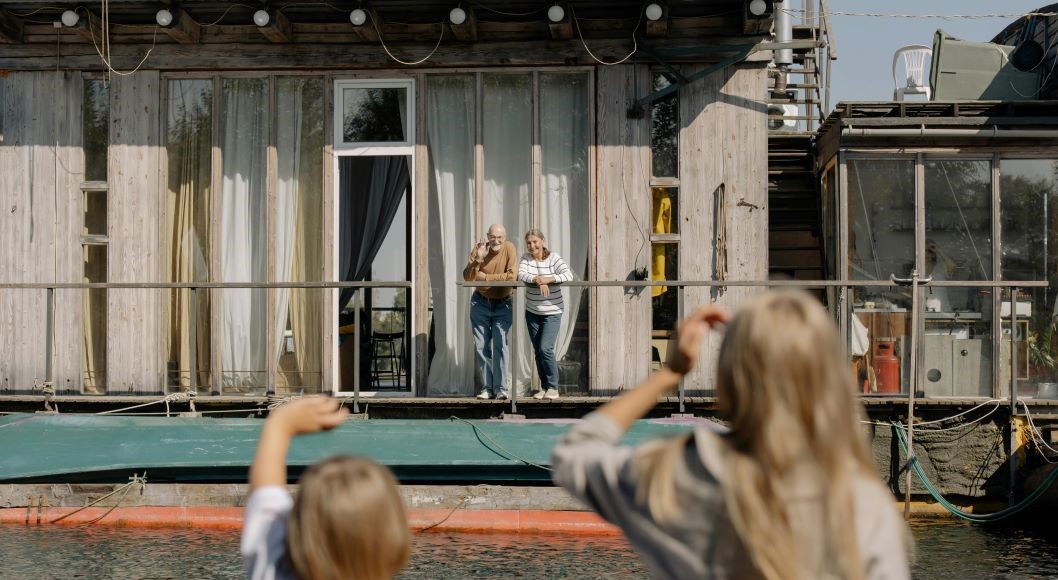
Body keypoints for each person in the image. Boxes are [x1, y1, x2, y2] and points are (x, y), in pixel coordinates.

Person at [551, 290, 911, 580]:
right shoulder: (862, 504)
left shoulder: (673, 475)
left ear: (727, 380)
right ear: (828, 382)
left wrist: (670, 373)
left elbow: (573, 454)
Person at [241, 396, 410, 580]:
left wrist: (280, 425)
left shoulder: (272, 571)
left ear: (297, 532)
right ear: (395, 539)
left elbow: (266, 499)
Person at [517, 228, 574, 400]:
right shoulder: (526, 258)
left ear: (542, 241)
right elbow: (521, 274)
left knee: (545, 348)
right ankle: (544, 387)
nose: (532, 245)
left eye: (535, 241)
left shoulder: (554, 258)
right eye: (529, 243)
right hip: (533, 311)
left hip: (552, 311)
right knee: (538, 351)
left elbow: (568, 275)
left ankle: (553, 387)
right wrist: (537, 280)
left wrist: (547, 279)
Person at [463, 223, 518, 400]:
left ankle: (501, 389)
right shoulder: (479, 250)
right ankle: (487, 388)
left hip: (503, 304)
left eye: (500, 237)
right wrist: (478, 260)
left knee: (501, 345)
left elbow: (512, 276)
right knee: (481, 346)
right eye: (493, 237)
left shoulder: (509, 248)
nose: (496, 240)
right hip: (480, 303)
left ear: (505, 237)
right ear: (487, 236)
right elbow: (469, 277)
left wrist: (485, 277)